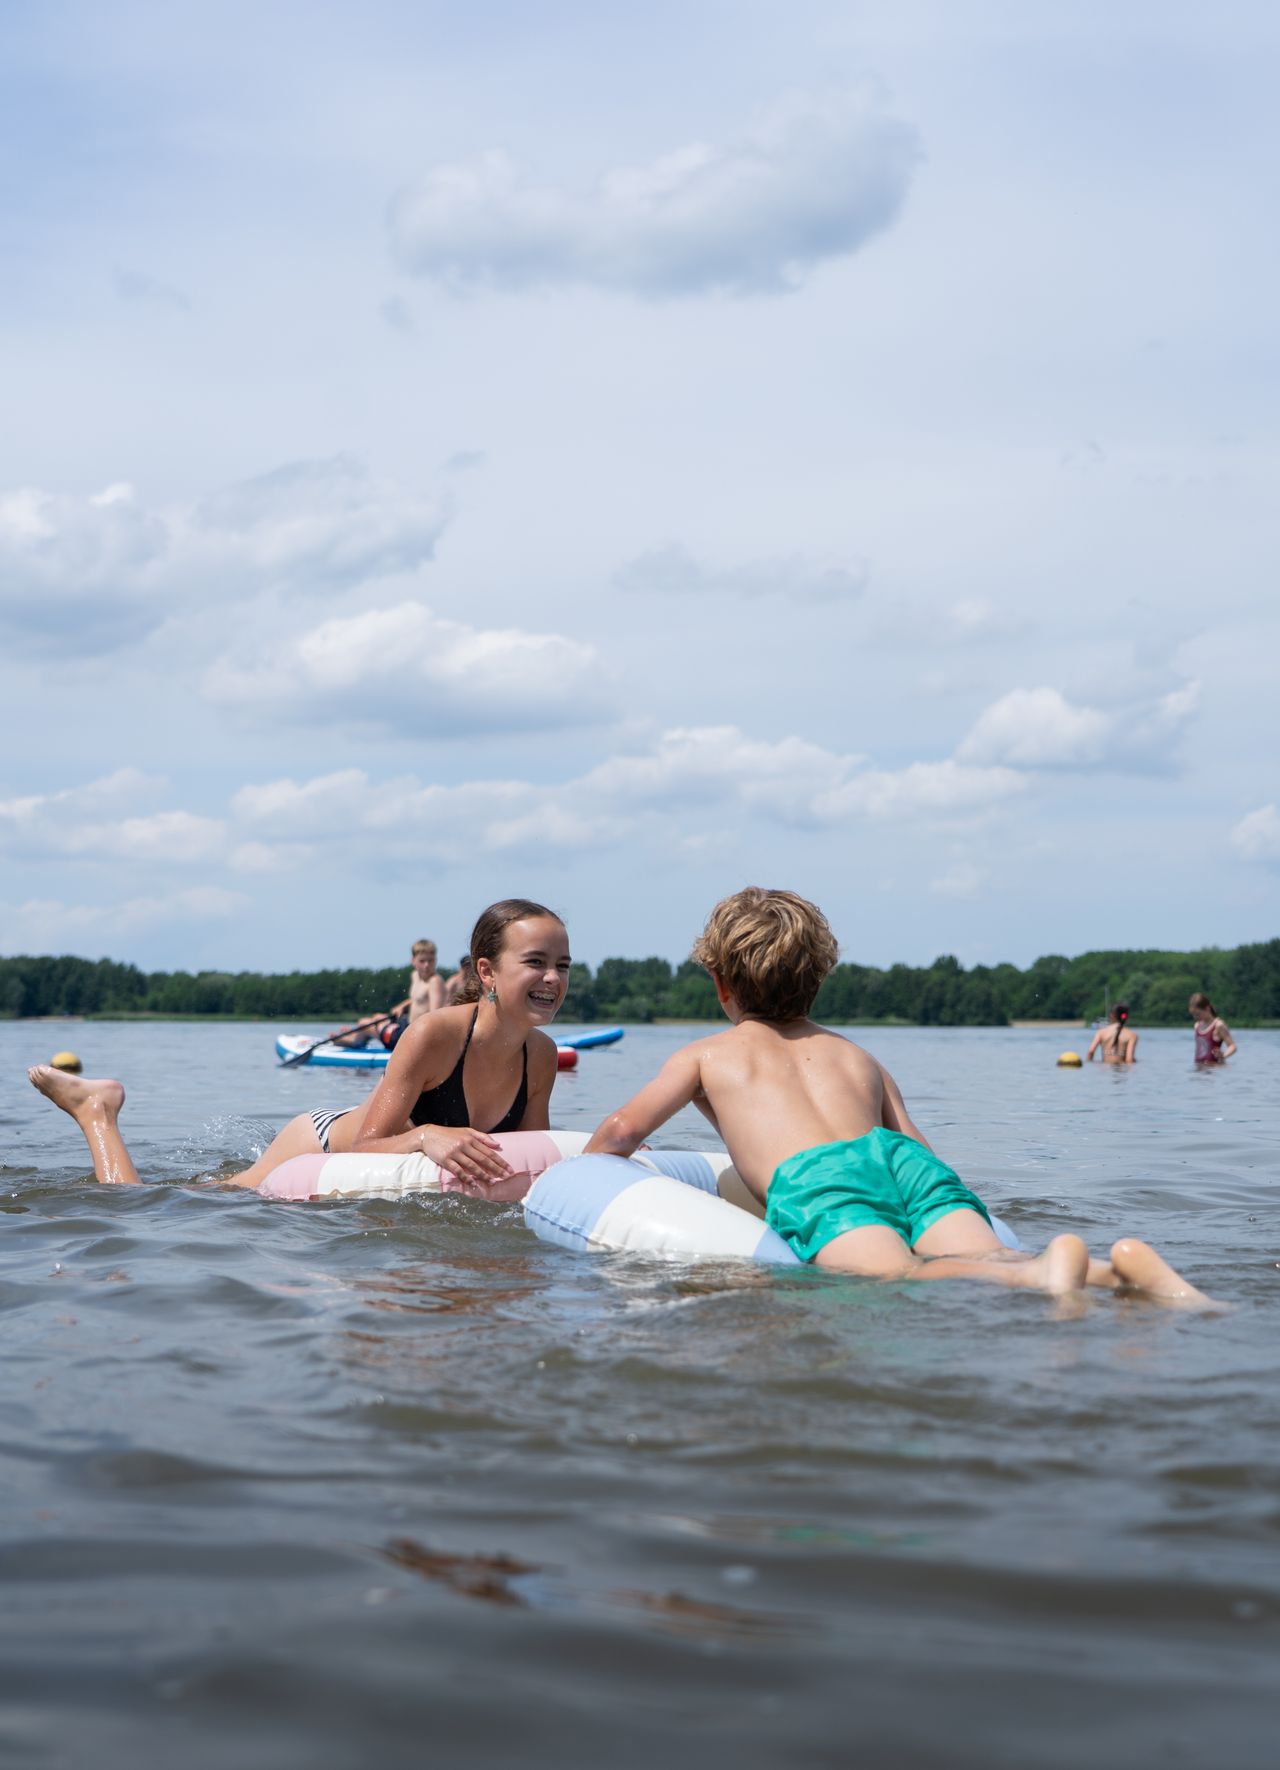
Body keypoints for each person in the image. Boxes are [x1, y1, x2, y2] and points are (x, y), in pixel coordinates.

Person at [584, 888, 1216, 1305]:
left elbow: (621, 1132)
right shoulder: (856, 1055)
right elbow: (915, 1145)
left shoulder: (706, 1055)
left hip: (818, 1182)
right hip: (907, 1166)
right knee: (992, 1254)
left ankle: (1043, 1273)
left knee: (898, 1275)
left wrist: (581, 1175)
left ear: (720, 982)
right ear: (820, 978)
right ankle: (1119, 1274)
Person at [29, 900, 571, 1192]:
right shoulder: (435, 1034)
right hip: (322, 1143)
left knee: (202, 1190)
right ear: (487, 971)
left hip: (369, 1152)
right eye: (536, 962)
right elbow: (367, 1143)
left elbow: (535, 1156)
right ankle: (97, 1113)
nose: (553, 978)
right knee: (159, 1205)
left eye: (563, 965)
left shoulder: (541, 1056)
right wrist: (427, 1134)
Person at [330, 938, 447, 1049]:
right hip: (406, 1024)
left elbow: (435, 1017)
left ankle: (354, 1040)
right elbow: (419, 999)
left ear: (436, 960)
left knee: (364, 1023)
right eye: (422, 961)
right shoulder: (415, 976)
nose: (426, 965)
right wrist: (402, 1006)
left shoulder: (435, 982)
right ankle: (357, 1037)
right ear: (413, 961)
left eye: (431, 960)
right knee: (377, 1017)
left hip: (413, 1036)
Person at [1189, 993, 1235, 1066]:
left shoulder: (1218, 1025)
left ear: (1207, 1009)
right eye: (1193, 1014)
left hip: (1214, 1068)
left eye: (1198, 1014)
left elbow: (1232, 1046)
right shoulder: (1197, 1026)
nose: (1195, 1017)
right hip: (1199, 1068)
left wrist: (1223, 1055)